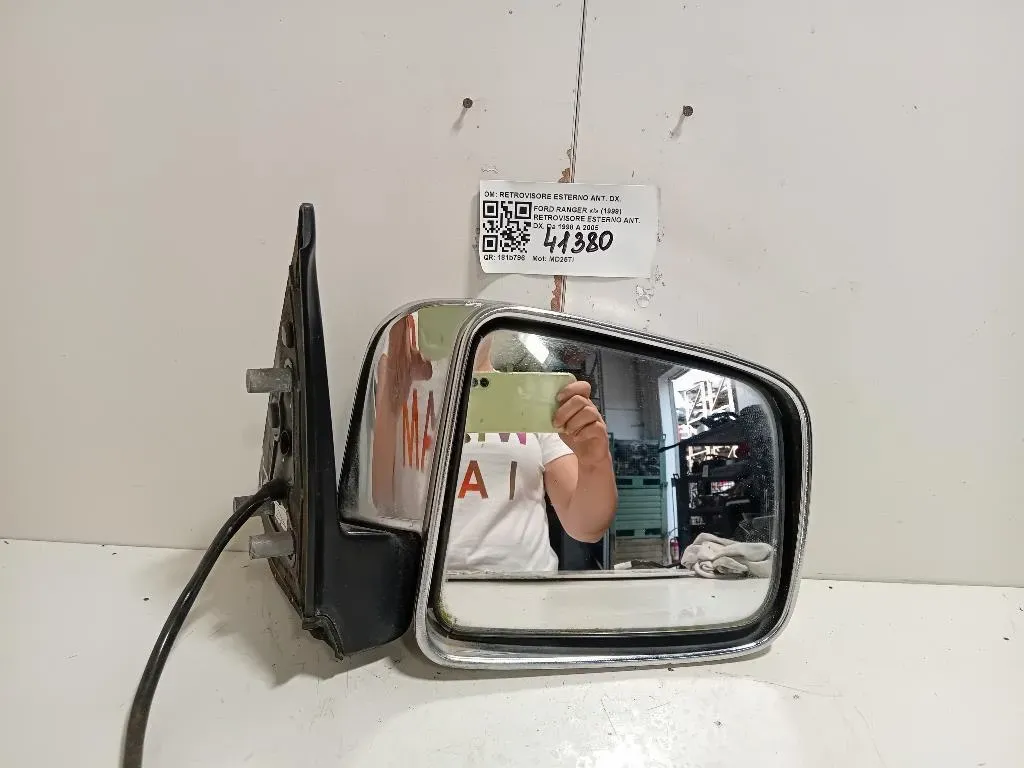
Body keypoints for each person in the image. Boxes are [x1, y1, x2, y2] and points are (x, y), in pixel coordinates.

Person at [371, 313, 617, 572]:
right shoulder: (406, 392)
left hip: (525, 587)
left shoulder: (527, 398)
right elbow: (383, 503)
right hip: (429, 588)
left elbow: (586, 527)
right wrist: (391, 394)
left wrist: (595, 459)